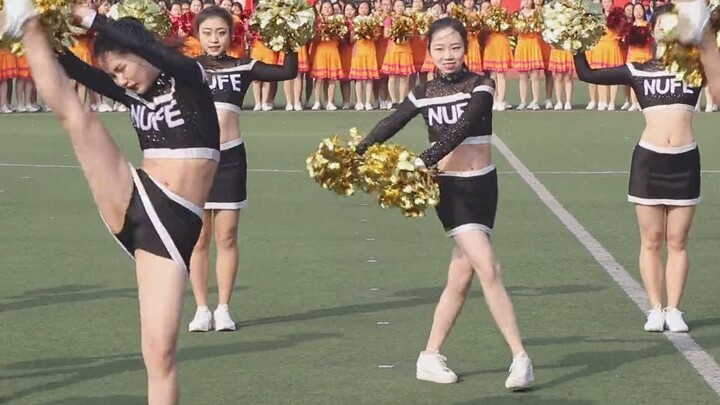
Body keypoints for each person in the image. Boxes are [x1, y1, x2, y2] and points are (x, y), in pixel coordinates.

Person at [0, 1, 220, 403]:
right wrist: (49, 37)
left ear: (139, 51)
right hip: (137, 194)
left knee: (159, 353)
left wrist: (95, 21)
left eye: (122, 69)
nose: (121, 82)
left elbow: (163, 56)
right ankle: (26, 23)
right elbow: (76, 73)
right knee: (76, 118)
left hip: (172, 226)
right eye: (113, 76)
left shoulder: (190, 80)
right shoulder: (134, 96)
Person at [356, 17, 534, 391]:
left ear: (465, 48)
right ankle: (520, 357)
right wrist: (359, 150)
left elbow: (466, 125)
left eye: (454, 47)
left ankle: (429, 355)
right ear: (429, 52)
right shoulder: (424, 91)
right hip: (449, 190)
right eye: (439, 49)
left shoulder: (482, 84)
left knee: (461, 276)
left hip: (484, 186)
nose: (447, 55)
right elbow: (393, 121)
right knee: (488, 266)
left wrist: (426, 155)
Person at [574, 5, 702, 333]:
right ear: (652, 31)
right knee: (651, 238)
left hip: (685, 161)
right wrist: (574, 39)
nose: (666, 31)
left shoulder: (697, 69)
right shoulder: (637, 70)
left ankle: (675, 309)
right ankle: (655, 308)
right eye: (661, 26)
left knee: (678, 239)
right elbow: (587, 74)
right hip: (649, 162)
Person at [188, 6, 298, 332]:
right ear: (198, 35)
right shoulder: (186, 69)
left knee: (227, 236)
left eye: (220, 32)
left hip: (231, 158)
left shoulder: (243, 66)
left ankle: (223, 307)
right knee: (198, 239)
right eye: (207, 33)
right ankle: (201, 309)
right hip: (196, 161)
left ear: (230, 34)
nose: (214, 39)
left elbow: (288, 72)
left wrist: (290, 36)